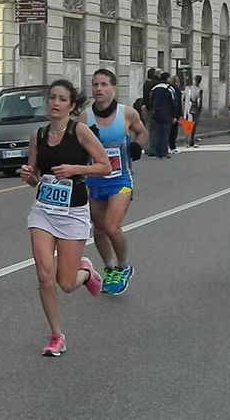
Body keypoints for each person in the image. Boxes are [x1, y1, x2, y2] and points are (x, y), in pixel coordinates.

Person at [20, 79, 111, 356]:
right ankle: (56, 335)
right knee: (45, 275)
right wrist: (29, 176)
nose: (55, 103)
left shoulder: (80, 131)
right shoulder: (38, 134)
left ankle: (86, 273)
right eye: (52, 98)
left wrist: (74, 168)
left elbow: (105, 166)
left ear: (71, 106)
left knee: (66, 283)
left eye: (61, 99)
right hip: (44, 211)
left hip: (73, 211)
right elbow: (35, 177)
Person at [77, 69, 148, 295]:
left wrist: (137, 145)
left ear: (113, 88)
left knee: (111, 226)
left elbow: (141, 132)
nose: (99, 88)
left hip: (121, 180)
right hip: (96, 180)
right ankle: (109, 269)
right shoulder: (85, 117)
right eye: (95, 84)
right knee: (98, 230)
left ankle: (124, 266)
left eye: (104, 84)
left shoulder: (127, 113)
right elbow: (77, 145)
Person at [148, 72, 176, 158]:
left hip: (156, 113)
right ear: (167, 78)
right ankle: (164, 152)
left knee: (157, 133)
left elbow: (150, 100)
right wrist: (174, 115)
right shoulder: (170, 89)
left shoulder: (154, 88)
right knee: (165, 134)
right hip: (167, 113)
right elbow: (174, 103)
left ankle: (157, 151)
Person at [183, 75, 203, 147]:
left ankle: (186, 142)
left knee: (187, 126)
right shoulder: (199, 90)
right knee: (193, 126)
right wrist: (199, 108)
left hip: (187, 109)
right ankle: (191, 142)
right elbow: (199, 101)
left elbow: (183, 98)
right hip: (194, 109)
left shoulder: (187, 88)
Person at [168, 74, 183, 154]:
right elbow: (178, 103)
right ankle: (172, 146)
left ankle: (167, 146)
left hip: (168, 113)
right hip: (175, 113)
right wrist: (180, 114)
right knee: (174, 131)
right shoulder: (177, 90)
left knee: (168, 130)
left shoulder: (168, 89)